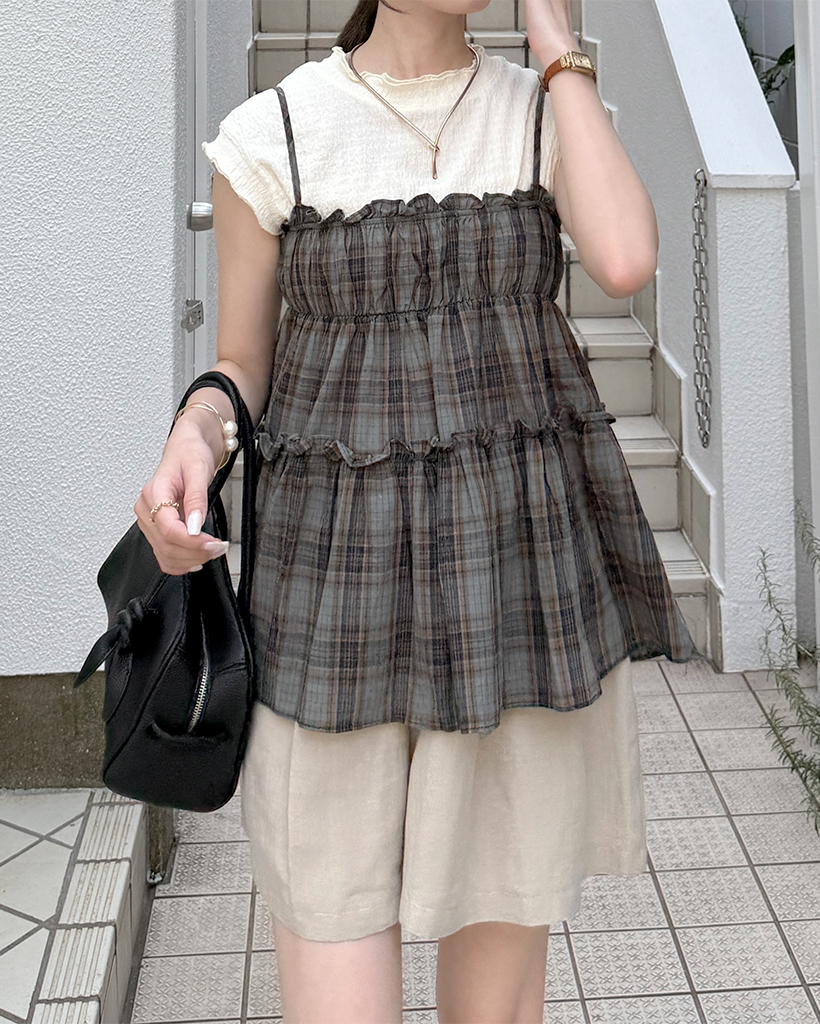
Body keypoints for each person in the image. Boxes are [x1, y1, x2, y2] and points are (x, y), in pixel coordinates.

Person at [134, 1, 698, 1021]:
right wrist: (195, 435)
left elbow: (624, 258)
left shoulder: (540, 110)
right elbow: (243, 363)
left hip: (510, 602)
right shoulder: (276, 132)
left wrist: (555, 43)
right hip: (329, 616)